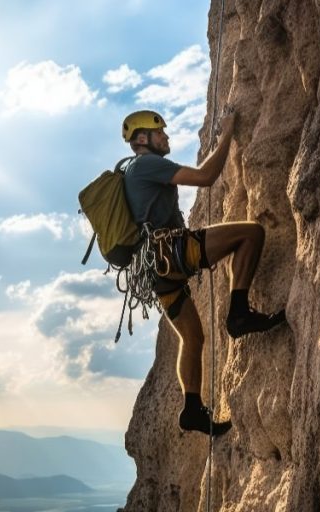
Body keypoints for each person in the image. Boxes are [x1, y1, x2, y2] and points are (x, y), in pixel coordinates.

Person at [121, 109, 286, 437]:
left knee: (192, 337)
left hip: (156, 270)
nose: (166, 137)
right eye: (160, 133)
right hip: (173, 252)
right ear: (142, 139)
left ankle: (192, 409)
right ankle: (238, 312)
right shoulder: (146, 164)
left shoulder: (131, 171)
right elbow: (206, 176)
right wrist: (227, 134)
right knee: (251, 233)